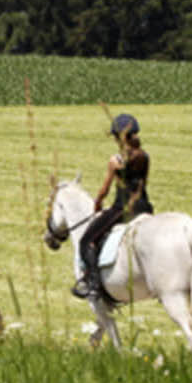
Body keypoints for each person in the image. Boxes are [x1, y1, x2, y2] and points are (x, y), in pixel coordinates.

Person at [73, 111, 153, 300]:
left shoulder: (116, 161)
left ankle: (93, 283)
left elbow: (104, 190)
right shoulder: (145, 157)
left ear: (118, 137)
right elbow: (143, 183)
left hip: (122, 210)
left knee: (87, 241)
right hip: (144, 207)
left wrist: (98, 203)